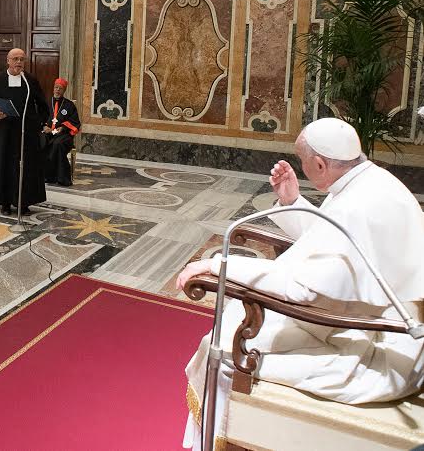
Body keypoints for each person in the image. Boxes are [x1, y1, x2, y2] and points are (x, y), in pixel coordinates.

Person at [177, 118, 424, 449]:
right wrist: (292, 201)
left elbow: (302, 290)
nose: (302, 167)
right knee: (234, 323)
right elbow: (330, 245)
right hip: (366, 321)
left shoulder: (358, 205)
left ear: (320, 164)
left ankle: (220, 443)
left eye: (303, 161)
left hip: (378, 347)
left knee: (219, 351)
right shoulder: (369, 182)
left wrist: (219, 266)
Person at [0, 48, 48, 215]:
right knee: (5, 165)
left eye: (22, 59)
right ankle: (5, 202)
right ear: (8, 61)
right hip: (5, 133)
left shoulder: (30, 80)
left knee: (26, 168)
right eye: (15, 59)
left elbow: (43, 106)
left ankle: (23, 202)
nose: (19, 62)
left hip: (26, 133)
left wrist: (37, 124)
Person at [40, 77, 80, 187]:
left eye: (60, 88)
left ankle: (61, 177)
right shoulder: (46, 103)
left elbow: (75, 122)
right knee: (40, 141)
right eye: (56, 87)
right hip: (48, 133)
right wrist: (44, 126)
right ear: (53, 88)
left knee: (57, 144)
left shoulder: (69, 105)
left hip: (63, 135)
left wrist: (62, 128)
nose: (57, 90)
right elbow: (40, 117)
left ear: (64, 90)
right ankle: (43, 175)